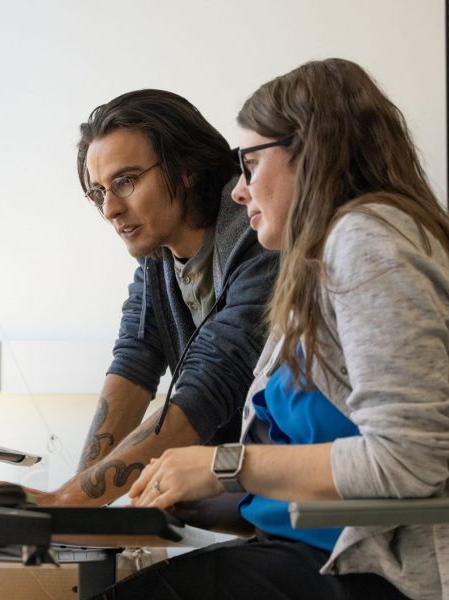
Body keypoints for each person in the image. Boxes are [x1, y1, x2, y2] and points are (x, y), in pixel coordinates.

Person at [110, 58, 449, 599]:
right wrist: (201, 491)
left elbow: (407, 462)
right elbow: (312, 489)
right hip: (327, 561)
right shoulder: (325, 266)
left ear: (311, 154)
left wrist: (225, 465)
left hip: (392, 579)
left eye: (249, 163)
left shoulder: (367, 243)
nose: (238, 191)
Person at [34, 90, 279, 506]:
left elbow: (210, 384)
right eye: (99, 193)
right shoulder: (157, 258)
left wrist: (67, 504)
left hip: (301, 499)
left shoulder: (261, 236)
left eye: (126, 182)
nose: (110, 208)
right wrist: (77, 503)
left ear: (185, 169)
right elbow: (134, 362)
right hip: (248, 495)